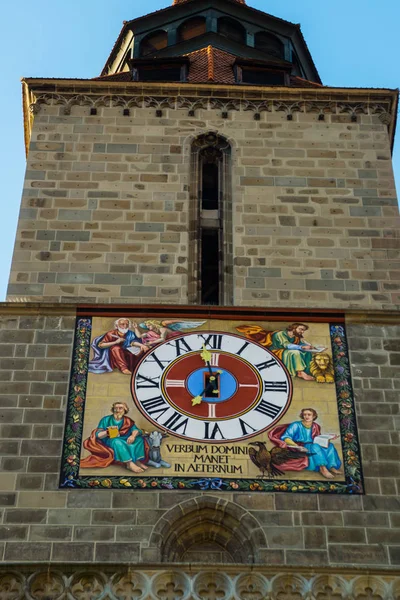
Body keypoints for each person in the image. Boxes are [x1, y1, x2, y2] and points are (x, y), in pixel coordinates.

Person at [268, 408, 341, 479]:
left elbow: (317, 438)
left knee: (330, 446)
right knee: (315, 446)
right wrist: (297, 446)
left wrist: (328, 438)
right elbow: (286, 437)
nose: (306, 416)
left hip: (313, 444)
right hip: (300, 446)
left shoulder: (316, 426)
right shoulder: (296, 425)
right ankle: (323, 468)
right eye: (304, 414)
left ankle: (331, 466)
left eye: (309, 414)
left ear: (314, 416)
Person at [81, 402, 148, 473]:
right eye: (115, 408)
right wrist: (107, 432)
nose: (117, 410)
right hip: (110, 439)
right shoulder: (106, 419)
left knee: (139, 439)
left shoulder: (127, 420)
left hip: (124, 438)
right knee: (117, 442)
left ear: (125, 410)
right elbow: (98, 434)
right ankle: (129, 463)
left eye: (120, 408)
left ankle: (137, 461)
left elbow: (136, 430)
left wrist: (133, 436)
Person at [237, 322, 318, 381]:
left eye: (303, 330)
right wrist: (302, 347)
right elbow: (287, 345)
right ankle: (300, 372)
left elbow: (300, 345)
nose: (302, 332)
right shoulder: (281, 334)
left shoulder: (296, 338)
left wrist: (309, 347)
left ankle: (307, 371)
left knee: (307, 352)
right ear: (294, 328)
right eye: (301, 329)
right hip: (276, 352)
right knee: (295, 352)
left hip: (285, 352)